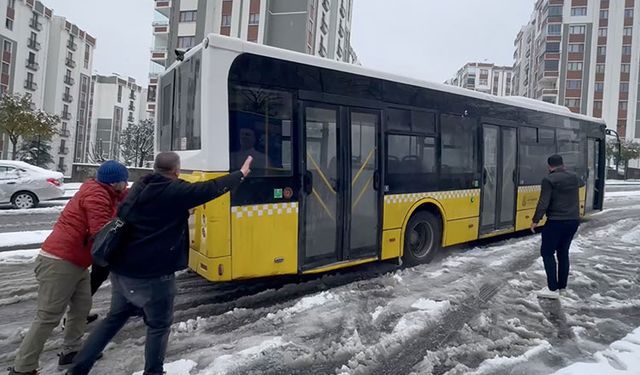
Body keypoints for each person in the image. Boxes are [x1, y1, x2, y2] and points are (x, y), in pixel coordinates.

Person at [68, 152, 253, 375]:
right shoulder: (172, 191)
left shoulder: (141, 185)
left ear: (155, 168)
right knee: (159, 325)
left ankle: (78, 369)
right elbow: (209, 189)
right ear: (176, 170)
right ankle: (153, 372)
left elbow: (168, 204)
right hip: (152, 274)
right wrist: (240, 174)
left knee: (113, 319)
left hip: (122, 269)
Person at [8, 161, 129, 375]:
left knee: (81, 308)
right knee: (48, 316)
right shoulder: (96, 197)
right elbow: (102, 231)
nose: (124, 185)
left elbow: (123, 197)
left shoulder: (105, 191)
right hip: (59, 261)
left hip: (77, 261)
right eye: (123, 182)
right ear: (115, 183)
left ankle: (71, 352)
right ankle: (23, 368)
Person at [531, 154, 583, 300]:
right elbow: (581, 183)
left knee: (547, 252)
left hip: (556, 222)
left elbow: (543, 202)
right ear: (562, 164)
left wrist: (536, 220)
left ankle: (552, 288)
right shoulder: (574, 177)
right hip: (573, 221)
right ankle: (562, 288)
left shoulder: (548, 180)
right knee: (563, 253)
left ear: (549, 166)